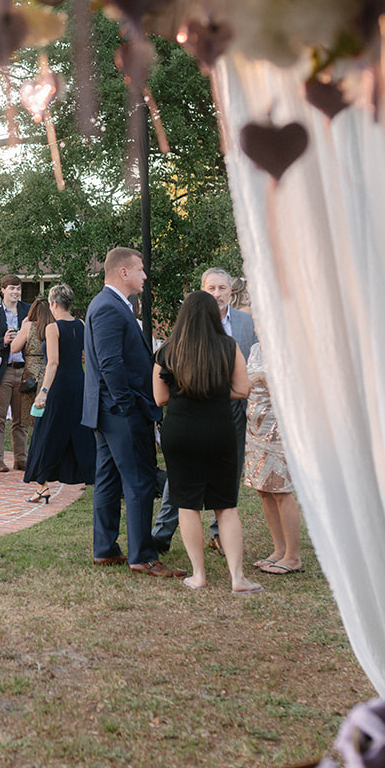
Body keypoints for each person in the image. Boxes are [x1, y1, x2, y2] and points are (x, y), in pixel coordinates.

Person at [83, 247, 184, 578]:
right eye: (140, 269)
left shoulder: (112, 305)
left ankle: (105, 549)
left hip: (108, 410)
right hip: (119, 411)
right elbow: (110, 363)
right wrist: (129, 406)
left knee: (109, 478)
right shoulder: (109, 307)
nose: (145, 275)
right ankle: (142, 555)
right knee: (139, 479)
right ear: (123, 272)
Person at [152, 290, 257, 593]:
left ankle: (199, 575)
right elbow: (242, 388)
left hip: (181, 431)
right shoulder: (229, 346)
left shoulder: (167, 351)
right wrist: (214, 391)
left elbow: (159, 398)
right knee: (226, 505)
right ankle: (237, 578)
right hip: (219, 430)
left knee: (187, 505)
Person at [23, 285, 96, 502]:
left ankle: (42, 485)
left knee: (46, 433)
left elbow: (53, 363)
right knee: (79, 431)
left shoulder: (52, 329)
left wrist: (43, 391)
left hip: (59, 385)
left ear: (54, 303)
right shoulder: (81, 324)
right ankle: (93, 475)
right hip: (79, 382)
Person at [245, 342, 303, 574]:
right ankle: (279, 550)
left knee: (281, 491)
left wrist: (261, 377)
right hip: (254, 430)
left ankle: (293, 556)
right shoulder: (255, 349)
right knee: (264, 490)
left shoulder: (289, 346)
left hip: (278, 430)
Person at [0, 274, 33, 473]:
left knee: (22, 420)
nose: (15, 292)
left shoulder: (28, 311)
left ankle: (21, 459)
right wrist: (2, 341)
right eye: (11, 288)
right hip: (1, 372)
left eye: (18, 289)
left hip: (23, 372)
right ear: (2, 290)